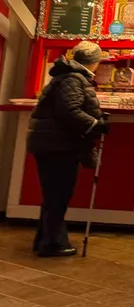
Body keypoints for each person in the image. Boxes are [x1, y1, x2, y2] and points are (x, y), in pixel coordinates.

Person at [26, 40, 107, 257]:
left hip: (52, 143)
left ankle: (45, 240)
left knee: (54, 195)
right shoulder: (74, 78)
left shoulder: (67, 75)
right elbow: (69, 110)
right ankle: (53, 244)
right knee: (58, 195)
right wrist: (94, 124)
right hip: (58, 145)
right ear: (94, 62)